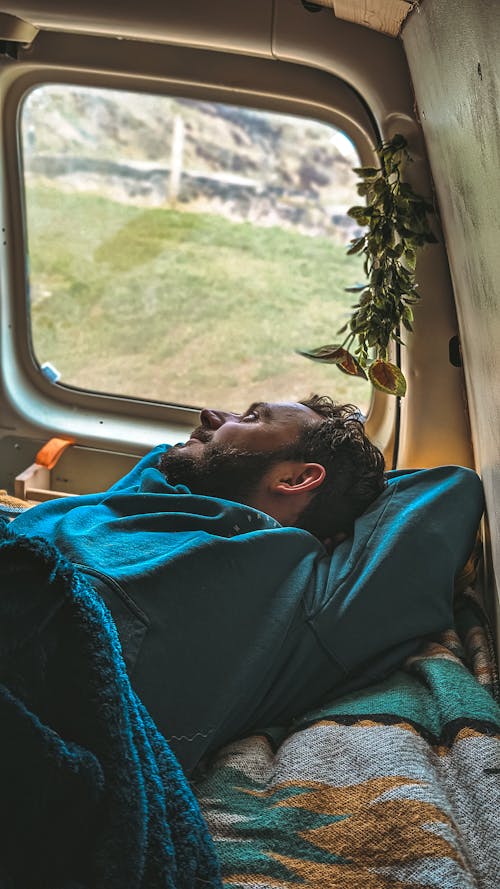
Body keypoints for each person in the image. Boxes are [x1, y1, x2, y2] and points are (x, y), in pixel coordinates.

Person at [11, 395, 483, 773]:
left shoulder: (310, 594)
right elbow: (163, 459)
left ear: (297, 477)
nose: (212, 415)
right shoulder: (152, 496)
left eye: (253, 417)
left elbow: (447, 488)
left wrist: (324, 516)